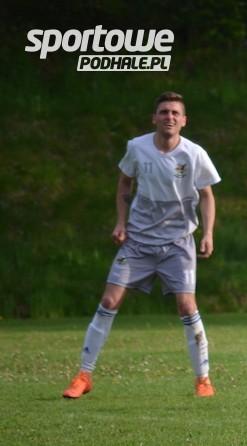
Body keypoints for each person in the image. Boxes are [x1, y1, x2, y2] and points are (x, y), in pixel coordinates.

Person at [62, 91, 221, 399]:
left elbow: (207, 195)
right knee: (109, 301)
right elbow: (125, 181)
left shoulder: (194, 154)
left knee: (187, 306)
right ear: (154, 118)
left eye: (175, 113)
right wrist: (120, 222)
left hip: (177, 243)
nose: (169, 116)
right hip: (138, 241)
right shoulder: (137, 147)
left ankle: (203, 380)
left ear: (184, 120)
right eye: (164, 112)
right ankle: (84, 375)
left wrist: (208, 233)